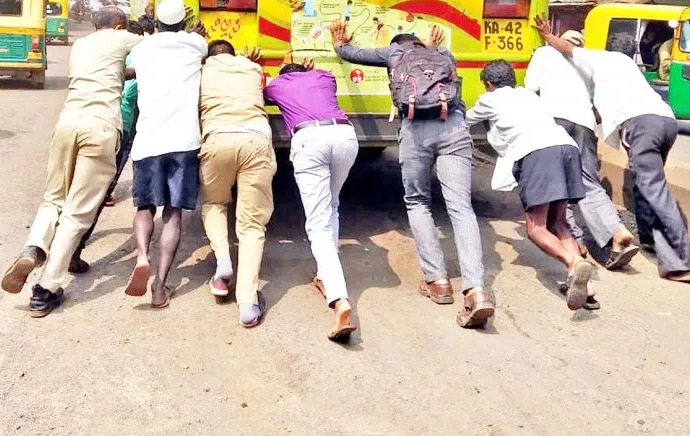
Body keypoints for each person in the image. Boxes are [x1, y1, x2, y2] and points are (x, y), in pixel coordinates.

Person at [330, 18, 495, 329]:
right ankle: (476, 289)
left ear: (397, 45)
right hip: (454, 128)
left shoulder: (393, 54)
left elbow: (354, 54)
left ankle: (438, 281)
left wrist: (340, 44)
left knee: (418, 202)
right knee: (461, 207)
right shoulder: (444, 54)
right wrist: (435, 49)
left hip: (416, 132)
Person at [533, 17, 690, 285]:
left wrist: (547, 35)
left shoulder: (603, 59)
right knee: (643, 186)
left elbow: (566, 48)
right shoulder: (630, 66)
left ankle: (685, 264)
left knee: (655, 190)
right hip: (665, 123)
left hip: (642, 125)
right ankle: (648, 241)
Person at [1, 7, 142, 317]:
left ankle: (35, 247)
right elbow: (157, 47)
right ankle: (45, 289)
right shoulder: (120, 38)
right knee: (77, 215)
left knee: (53, 199)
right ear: (118, 26)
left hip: (67, 123)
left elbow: (117, 74)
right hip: (100, 127)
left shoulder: (81, 46)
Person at [467, 61, 595, 311]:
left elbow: (465, 121)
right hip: (566, 147)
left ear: (488, 84)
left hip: (537, 153)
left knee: (536, 228)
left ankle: (573, 262)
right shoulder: (527, 94)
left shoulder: (489, 99)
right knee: (558, 223)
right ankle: (587, 289)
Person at [525, 31, 639, 272]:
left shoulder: (545, 53)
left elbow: (530, 86)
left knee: (558, 182)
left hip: (554, 121)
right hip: (584, 123)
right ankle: (616, 231)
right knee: (588, 180)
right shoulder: (586, 61)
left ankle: (574, 241)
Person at [264, 59, 359, 341]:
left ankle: (339, 298)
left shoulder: (277, 85)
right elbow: (318, 81)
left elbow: (260, 92)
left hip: (310, 139)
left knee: (317, 224)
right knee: (332, 206)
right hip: (344, 135)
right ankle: (323, 274)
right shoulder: (324, 76)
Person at [124, 0, 208, 309]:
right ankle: (159, 286)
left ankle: (143, 255)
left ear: (156, 24)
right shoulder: (194, 45)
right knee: (173, 213)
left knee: (144, 207)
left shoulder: (142, 49)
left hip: (148, 140)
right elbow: (197, 39)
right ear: (184, 24)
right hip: (185, 141)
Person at [197, 39, 276, 328]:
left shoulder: (201, 71)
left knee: (214, 203)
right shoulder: (252, 68)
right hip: (256, 139)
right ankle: (247, 304)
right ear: (233, 53)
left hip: (218, 138)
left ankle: (222, 264)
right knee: (252, 225)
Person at [69, 28, 142, 274]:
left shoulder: (102, 59)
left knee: (82, 192)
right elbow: (131, 86)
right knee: (97, 194)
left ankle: (66, 245)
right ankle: (74, 249)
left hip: (89, 123)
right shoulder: (135, 60)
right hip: (117, 129)